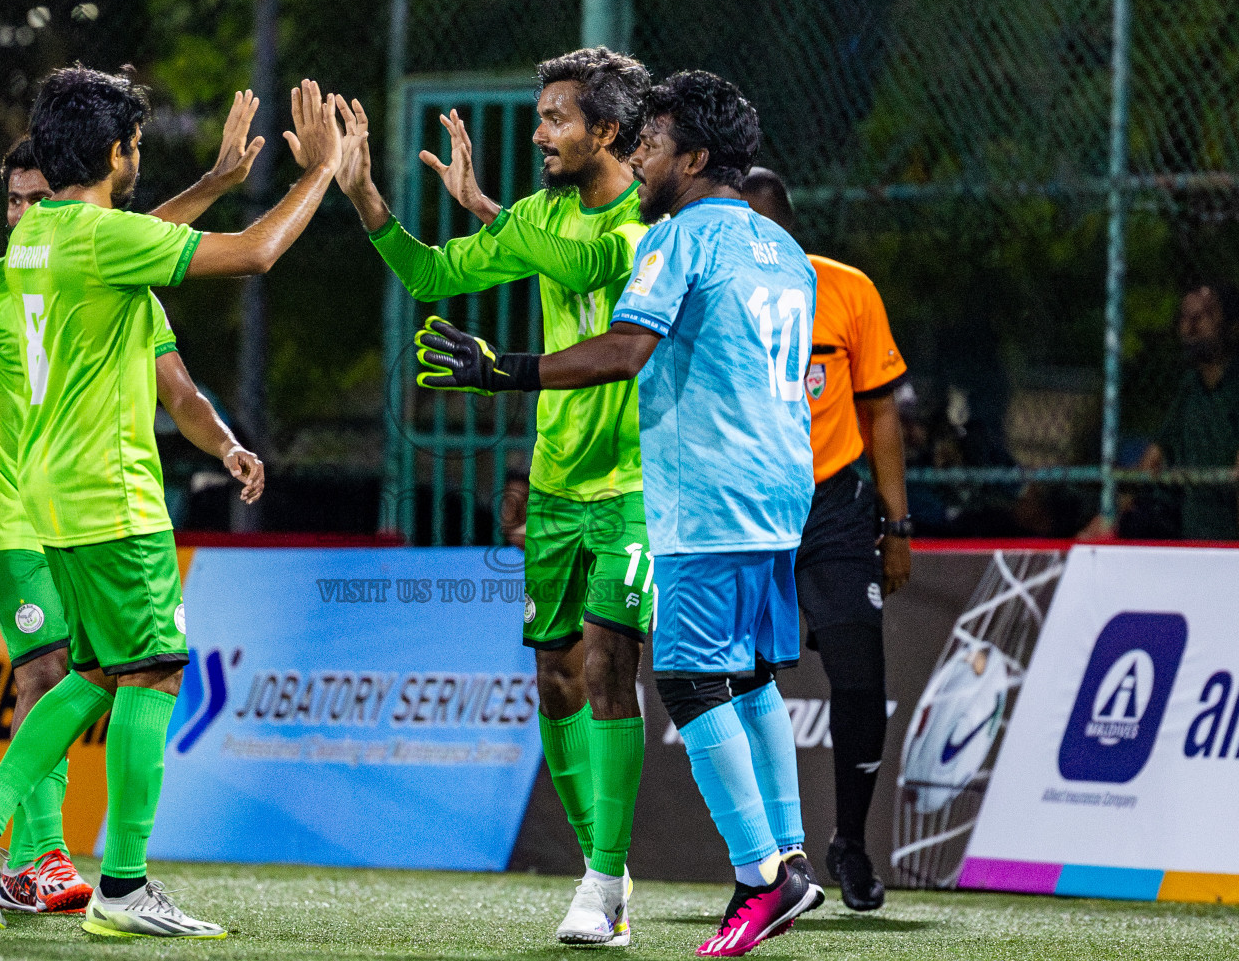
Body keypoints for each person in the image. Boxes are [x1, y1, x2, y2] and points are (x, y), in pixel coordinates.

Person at [0, 68, 346, 938]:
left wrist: (215, 181)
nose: (139, 156)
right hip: (109, 489)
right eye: (138, 144)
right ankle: (121, 887)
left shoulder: (39, 240)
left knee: (95, 670)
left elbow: (135, 242)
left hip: (48, 496)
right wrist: (322, 173)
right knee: (155, 668)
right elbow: (257, 253)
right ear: (116, 153)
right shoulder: (99, 239)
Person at [413, 71, 822, 957]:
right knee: (751, 678)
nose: (641, 154)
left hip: (707, 497)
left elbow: (624, 350)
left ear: (696, 158)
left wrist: (501, 370)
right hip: (783, 491)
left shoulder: (678, 239)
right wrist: (491, 207)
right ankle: (791, 850)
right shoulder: (782, 247)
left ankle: (763, 877)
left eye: (655, 141)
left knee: (684, 681)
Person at [0, 115, 265, 914]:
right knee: (61, 669)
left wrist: (226, 444)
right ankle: (45, 856)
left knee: (96, 670)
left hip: (68, 507)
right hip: (25, 515)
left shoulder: (101, 275)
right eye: (16, 202)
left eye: (39, 199)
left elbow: (179, 384)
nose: (27, 216)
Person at [336, 47, 653, 946]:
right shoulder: (545, 215)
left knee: (608, 666)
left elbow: (591, 268)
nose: (539, 131)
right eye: (539, 115)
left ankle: (598, 884)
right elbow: (433, 277)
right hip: (554, 485)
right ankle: (610, 870)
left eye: (557, 118)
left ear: (611, 131)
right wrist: (365, 195)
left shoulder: (649, 225)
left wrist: (497, 219)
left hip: (634, 482)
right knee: (553, 676)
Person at [742, 167, 910, 911]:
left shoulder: (846, 290)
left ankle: (849, 841)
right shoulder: (715, 298)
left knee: (861, 678)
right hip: (746, 508)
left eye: (762, 229)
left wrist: (897, 525)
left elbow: (881, 414)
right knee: (742, 683)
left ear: (789, 228)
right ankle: (769, 858)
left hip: (834, 508)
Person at [1125, 284, 1239, 540]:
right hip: (1193, 536)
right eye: (1185, 317)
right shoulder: (1190, 386)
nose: (1191, 325)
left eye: (1205, 315)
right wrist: (1111, 515)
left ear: (1232, 326)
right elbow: (1152, 458)